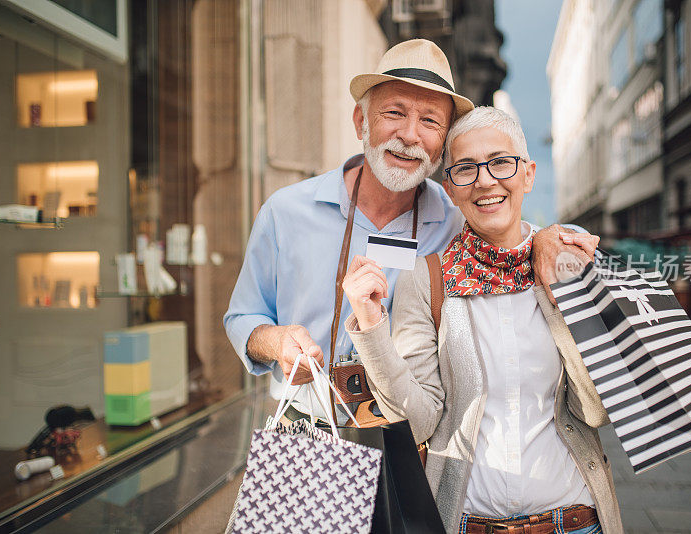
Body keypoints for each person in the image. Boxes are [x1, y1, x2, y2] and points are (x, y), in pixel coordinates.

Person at [224, 39, 598, 421]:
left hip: (417, 442)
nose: (410, 135)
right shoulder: (286, 211)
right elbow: (242, 318)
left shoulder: (458, 218)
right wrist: (276, 342)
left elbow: (523, 232)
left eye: (430, 121)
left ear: (443, 146)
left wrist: (549, 237)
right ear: (361, 122)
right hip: (311, 433)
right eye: (394, 112)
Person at [343, 107, 621, 533]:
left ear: (527, 174)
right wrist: (370, 325)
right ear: (451, 190)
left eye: (500, 162)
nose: (486, 180)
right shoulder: (427, 280)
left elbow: (596, 411)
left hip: (576, 521)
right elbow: (419, 422)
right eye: (466, 169)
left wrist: (563, 294)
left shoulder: (569, 265)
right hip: (467, 523)